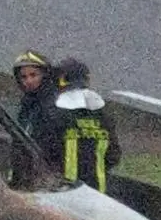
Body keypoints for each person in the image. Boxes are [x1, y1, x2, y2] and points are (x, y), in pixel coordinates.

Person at [52, 57, 122, 190]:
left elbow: (47, 149)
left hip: (64, 191)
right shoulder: (103, 115)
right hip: (98, 191)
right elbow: (113, 155)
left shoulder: (57, 114)